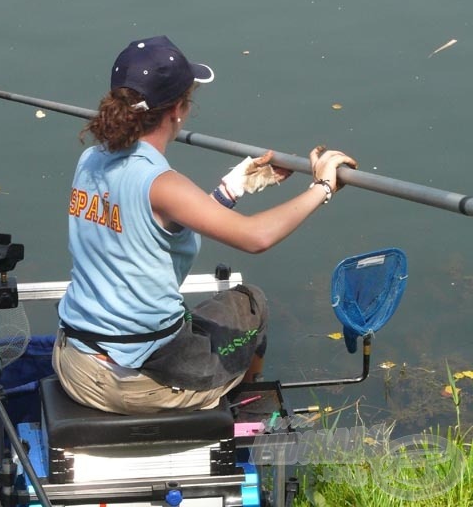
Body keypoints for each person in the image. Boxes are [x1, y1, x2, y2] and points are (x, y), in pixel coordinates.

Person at [53, 36, 357, 415]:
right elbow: (256, 237)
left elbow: (152, 223)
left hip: (73, 361)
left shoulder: (91, 160)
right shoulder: (163, 185)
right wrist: (323, 186)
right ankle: (241, 416)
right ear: (177, 111)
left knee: (195, 320)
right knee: (252, 306)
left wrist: (233, 188)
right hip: (130, 386)